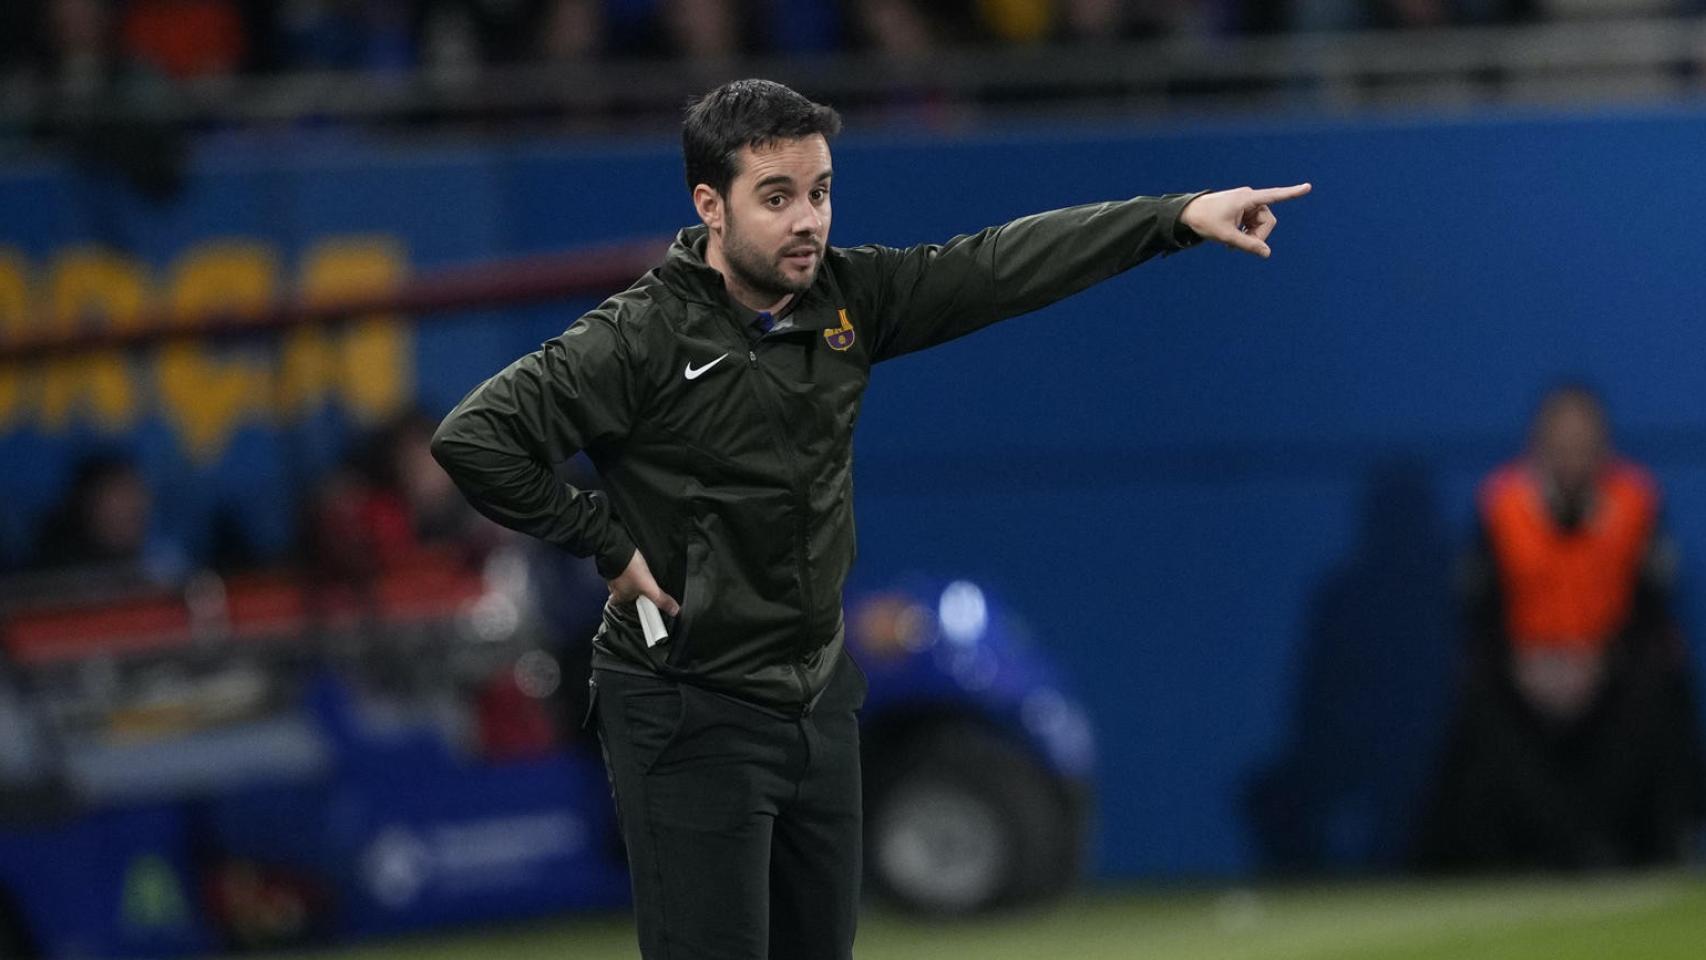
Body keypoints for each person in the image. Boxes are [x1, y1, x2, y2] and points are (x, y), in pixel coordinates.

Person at [431, 77, 1309, 960]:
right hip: (687, 704)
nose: (809, 219)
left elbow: (1000, 264)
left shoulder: (851, 298)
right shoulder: (636, 339)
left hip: (814, 695)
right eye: (776, 197)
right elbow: (474, 439)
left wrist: (1176, 215)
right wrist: (604, 541)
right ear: (712, 206)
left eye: (819, 192)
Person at [1420, 385, 1705, 870]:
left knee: (1663, 683)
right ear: (1537, 447)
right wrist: (1525, 668)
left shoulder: (1635, 501)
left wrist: (1600, 663)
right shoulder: (1503, 505)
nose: (1573, 458)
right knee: (1477, 698)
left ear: (1604, 450)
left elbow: (1652, 610)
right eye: (1561, 444)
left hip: (1609, 675)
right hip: (1523, 678)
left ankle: (1666, 843)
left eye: (1585, 445)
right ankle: (1512, 855)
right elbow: (1481, 613)